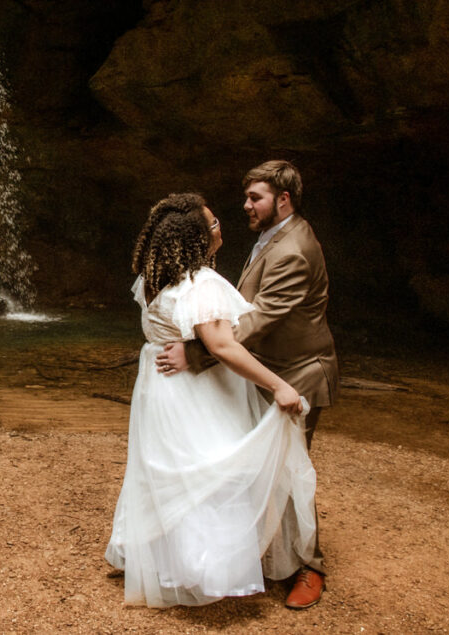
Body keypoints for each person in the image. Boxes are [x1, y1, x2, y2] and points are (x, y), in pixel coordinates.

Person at [105, 192, 317, 608]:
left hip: (160, 391)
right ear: (195, 238)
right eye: (214, 224)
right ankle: (209, 571)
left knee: (171, 470)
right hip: (195, 394)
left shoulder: (154, 278)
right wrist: (279, 386)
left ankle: (164, 564)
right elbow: (222, 346)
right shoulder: (199, 283)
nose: (222, 226)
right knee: (214, 471)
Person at [155, 160, 339, 609]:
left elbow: (257, 318)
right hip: (270, 368)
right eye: (247, 197)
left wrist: (197, 351)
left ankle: (309, 569)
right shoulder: (272, 236)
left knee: (290, 469)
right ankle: (260, 552)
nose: (246, 205)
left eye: (255, 198)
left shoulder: (293, 249)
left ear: (284, 200)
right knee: (260, 468)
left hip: (299, 373)